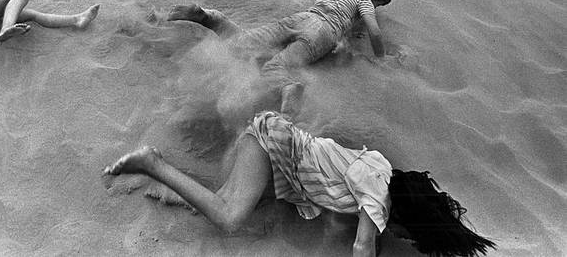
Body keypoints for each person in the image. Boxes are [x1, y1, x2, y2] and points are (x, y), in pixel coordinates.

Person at [105, 111, 496, 257]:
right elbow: (362, 245)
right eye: (414, 239)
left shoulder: (381, 170)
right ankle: (152, 164)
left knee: (223, 203)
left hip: (283, 166)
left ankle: (167, 188)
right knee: (229, 219)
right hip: (274, 147)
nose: (407, 241)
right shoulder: (378, 196)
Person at [166, 0, 392, 114]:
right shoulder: (364, 1)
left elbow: (335, 16)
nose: (375, 9)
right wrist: (380, 58)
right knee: (274, 67)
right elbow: (375, 31)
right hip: (324, 33)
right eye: (379, 4)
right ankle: (287, 86)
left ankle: (209, 17)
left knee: (245, 42)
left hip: (304, 17)